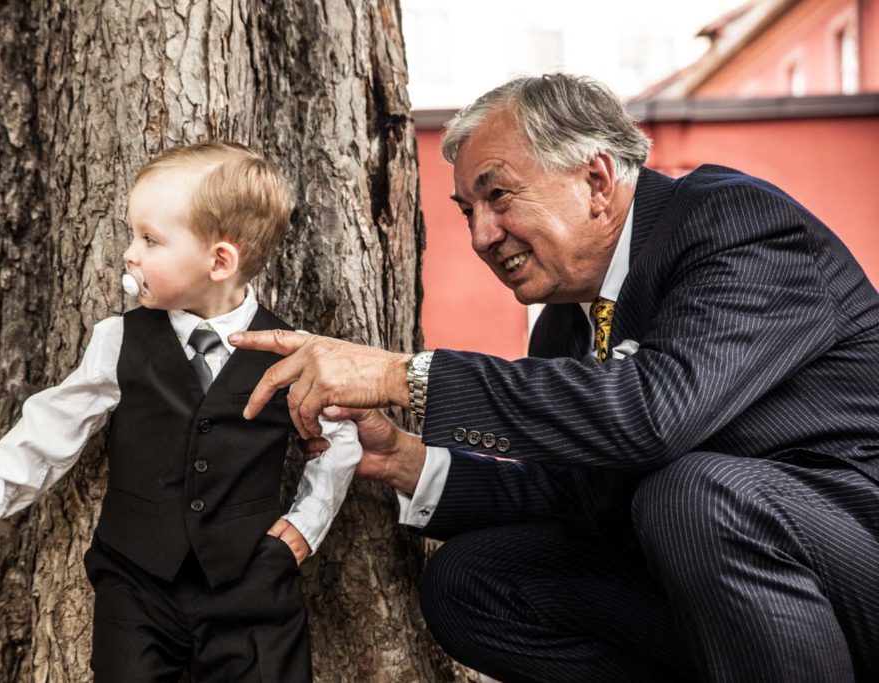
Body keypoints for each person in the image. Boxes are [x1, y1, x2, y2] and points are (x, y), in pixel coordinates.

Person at [230, 74, 879, 682]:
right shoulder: (565, 326)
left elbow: (652, 416)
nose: (482, 235)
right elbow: (570, 491)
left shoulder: (732, 225)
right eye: (466, 210)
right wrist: (406, 460)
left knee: (691, 494)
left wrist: (402, 375)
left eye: (498, 195)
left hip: (852, 559)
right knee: (470, 580)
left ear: (596, 179)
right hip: (724, 592)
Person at [0, 141, 362, 682]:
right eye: (132, 235)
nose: (129, 254)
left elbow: (339, 440)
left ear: (219, 261)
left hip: (252, 586)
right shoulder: (119, 339)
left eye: (150, 240)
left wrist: (303, 528)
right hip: (136, 586)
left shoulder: (292, 350)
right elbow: (53, 426)